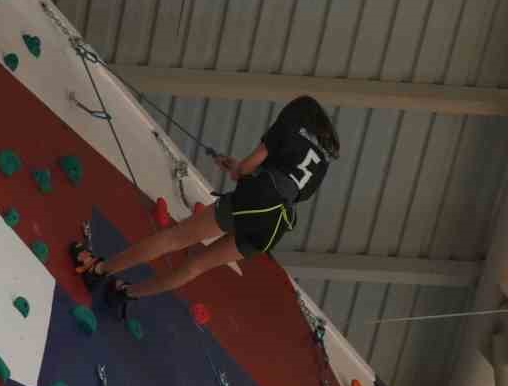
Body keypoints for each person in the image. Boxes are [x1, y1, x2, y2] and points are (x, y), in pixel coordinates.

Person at [70, 95, 339, 311]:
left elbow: (247, 169)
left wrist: (237, 169)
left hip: (251, 204)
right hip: (271, 227)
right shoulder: (322, 165)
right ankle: (126, 293)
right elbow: (290, 188)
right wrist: (241, 170)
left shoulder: (288, 128)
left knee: (175, 238)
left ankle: (98, 269)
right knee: (198, 266)